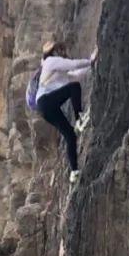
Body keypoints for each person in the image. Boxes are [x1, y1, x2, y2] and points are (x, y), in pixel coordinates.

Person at [35, 40, 95, 182]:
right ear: (54, 52)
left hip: (44, 108)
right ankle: (79, 119)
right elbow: (73, 65)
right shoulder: (50, 62)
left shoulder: (58, 74)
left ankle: (74, 172)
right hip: (45, 101)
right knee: (74, 88)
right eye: (60, 50)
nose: (63, 53)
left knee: (70, 135)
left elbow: (76, 74)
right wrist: (90, 59)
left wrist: (92, 63)